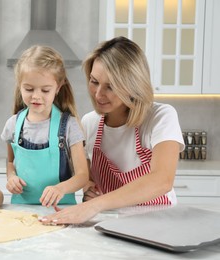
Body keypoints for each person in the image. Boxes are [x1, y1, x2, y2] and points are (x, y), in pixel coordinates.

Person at [40, 36, 185, 224]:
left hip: (157, 223)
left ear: (133, 85)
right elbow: (88, 179)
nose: (99, 94)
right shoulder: (90, 123)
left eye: (111, 86)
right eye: (94, 81)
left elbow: (162, 180)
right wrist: (89, 190)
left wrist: (95, 205)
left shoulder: (160, 117)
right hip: (108, 223)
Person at [1, 45, 88, 207]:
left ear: (58, 88)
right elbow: (11, 163)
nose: (36, 96)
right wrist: (11, 177)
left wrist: (60, 189)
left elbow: (82, 175)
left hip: (61, 209)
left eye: (45, 90)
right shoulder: (13, 124)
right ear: (19, 85)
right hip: (21, 209)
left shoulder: (70, 126)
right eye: (28, 89)